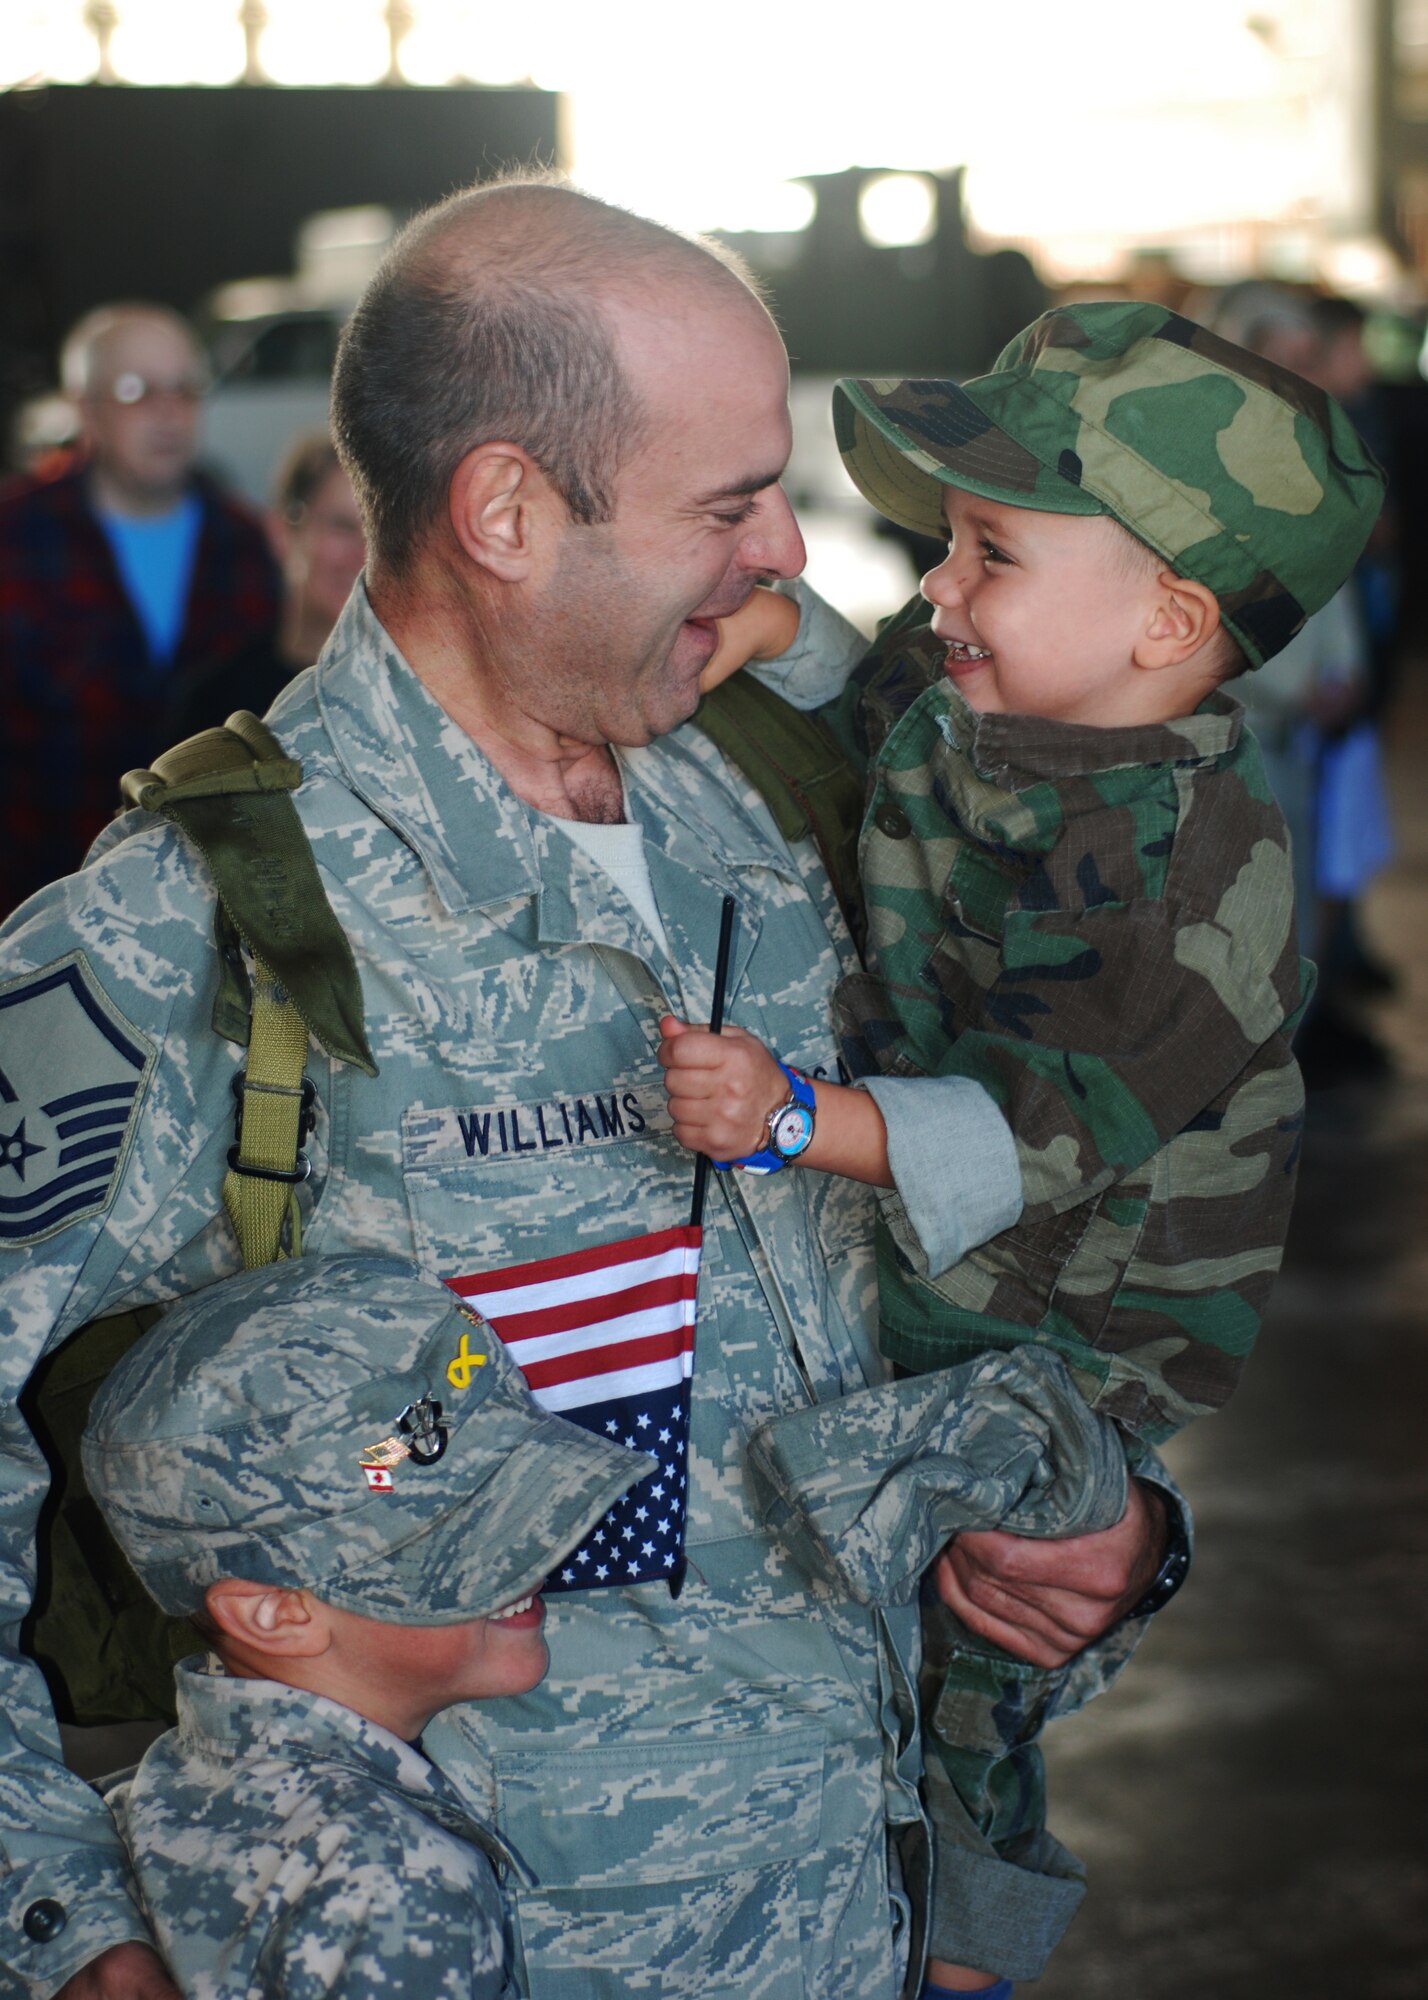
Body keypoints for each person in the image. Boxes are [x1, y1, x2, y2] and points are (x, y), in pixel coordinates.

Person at [0, 181, 1170, 2000]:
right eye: (725, 501)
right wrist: (75, 1938)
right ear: (507, 511)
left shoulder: (791, 816)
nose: (786, 546)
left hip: (872, 1917)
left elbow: (1010, 1216)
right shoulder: (189, 934)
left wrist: (1109, 1517)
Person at [660, 302, 1384, 1991]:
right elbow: (881, 693)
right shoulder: (1003, 675)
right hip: (937, 1258)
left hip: (1061, 1313)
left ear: (1168, 620)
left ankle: (967, 1957)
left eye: (986, 552)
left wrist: (790, 1121)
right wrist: (782, 631)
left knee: (971, 1671)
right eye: (943, 546)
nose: (936, 588)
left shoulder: (1199, 880)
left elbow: (1041, 1134)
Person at [84, 1253, 650, 1999]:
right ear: (274, 1613)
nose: (540, 1555)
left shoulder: (130, 1805)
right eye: (459, 1538)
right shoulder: (401, 1883)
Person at [0, 303, 281, 919]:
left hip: (201, 914)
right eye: (136, 391)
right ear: (84, 407)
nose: (168, 413)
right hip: (39, 903)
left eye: (184, 389)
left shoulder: (244, 543)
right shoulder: (16, 540)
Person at [169, 433, 367, 739]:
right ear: (282, 532)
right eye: (342, 527)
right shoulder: (214, 708)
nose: (363, 554)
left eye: (379, 534)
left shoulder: (426, 698)